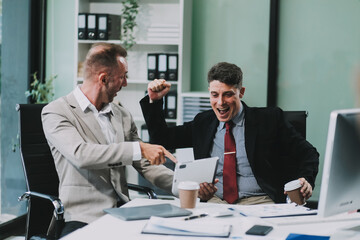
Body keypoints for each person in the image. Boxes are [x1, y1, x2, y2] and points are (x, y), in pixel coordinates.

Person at [42, 43, 176, 237]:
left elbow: (145, 164)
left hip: (123, 212)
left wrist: (186, 186)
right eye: (122, 77)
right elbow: (82, 154)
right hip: (82, 217)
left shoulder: (122, 114)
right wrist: (139, 148)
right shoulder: (56, 112)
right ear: (103, 79)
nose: (125, 83)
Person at [140, 62, 319, 205]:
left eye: (227, 94)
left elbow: (308, 154)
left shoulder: (269, 119)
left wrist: (306, 180)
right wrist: (154, 102)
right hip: (215, 202)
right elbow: (162, 140)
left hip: (261, 202)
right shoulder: (204, 122)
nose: (220, 102)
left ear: (241, 92)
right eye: (214, 94)